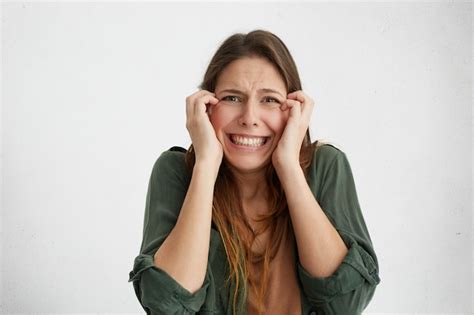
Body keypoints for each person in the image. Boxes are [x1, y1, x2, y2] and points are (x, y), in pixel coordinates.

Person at [128, 29, 381, 315]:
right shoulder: (178, 172)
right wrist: (207, 165)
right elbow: (167, 306)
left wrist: (289, 167)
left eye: (270, 100)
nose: (249, 118)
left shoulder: (326, 166)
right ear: (206, 107)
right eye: (233, 98)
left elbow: (345, 304)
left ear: (293, 110)